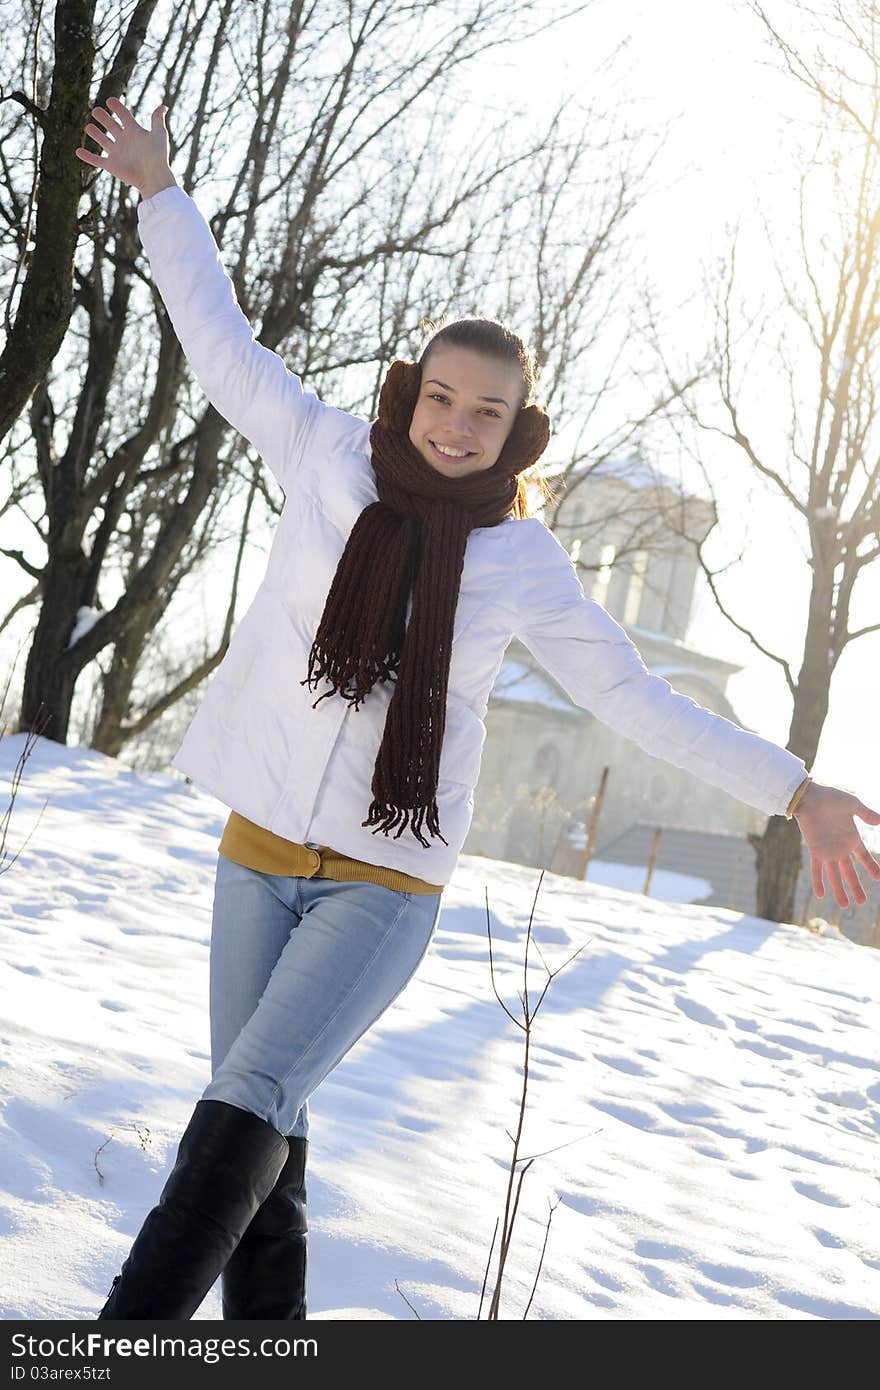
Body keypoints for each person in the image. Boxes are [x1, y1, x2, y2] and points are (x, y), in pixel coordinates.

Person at [75, 100, 880, 1322]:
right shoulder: (325, 454)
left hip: (381, 885)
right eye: (442, 398)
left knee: (240, 1106)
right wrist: (158, 192)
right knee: (268, 1126)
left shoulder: (522, 562)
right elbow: (222, 344)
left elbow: (635, 699)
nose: (457, 426)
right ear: (411, 392)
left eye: (486, 413)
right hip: (255, 853)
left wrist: (797, 788)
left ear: (519, 430)